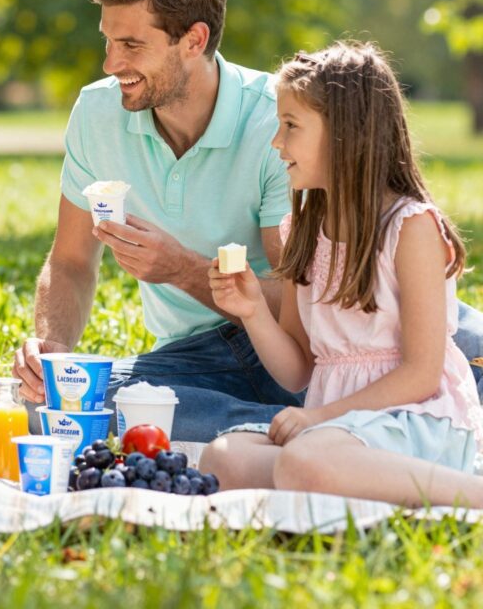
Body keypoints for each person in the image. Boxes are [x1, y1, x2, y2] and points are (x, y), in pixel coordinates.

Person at [12, 0, 483, 442]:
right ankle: (292, 435)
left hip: (348, 329)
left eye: (131, 45)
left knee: (457, 355)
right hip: (208, 354)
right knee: (63, 411)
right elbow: (70, 261)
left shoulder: (286, 123)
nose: (110, 63)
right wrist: (54, 345)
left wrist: (183, 269)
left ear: (194, 39)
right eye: (107, 41)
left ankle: (324, 432)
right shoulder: (96, 114)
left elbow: (311, 300)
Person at [199, 43, 483, 507]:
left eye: (290, 126)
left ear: (346, 135)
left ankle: (471, 495)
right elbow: (296, 372)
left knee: (305, 462)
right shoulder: (305, 230)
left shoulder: (409, 228)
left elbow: (421, 374)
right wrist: (252, 312)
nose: (276, 142)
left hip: (415, 420)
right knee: (223, 457)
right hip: (335, 432)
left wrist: (321, 419)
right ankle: (338, 482)